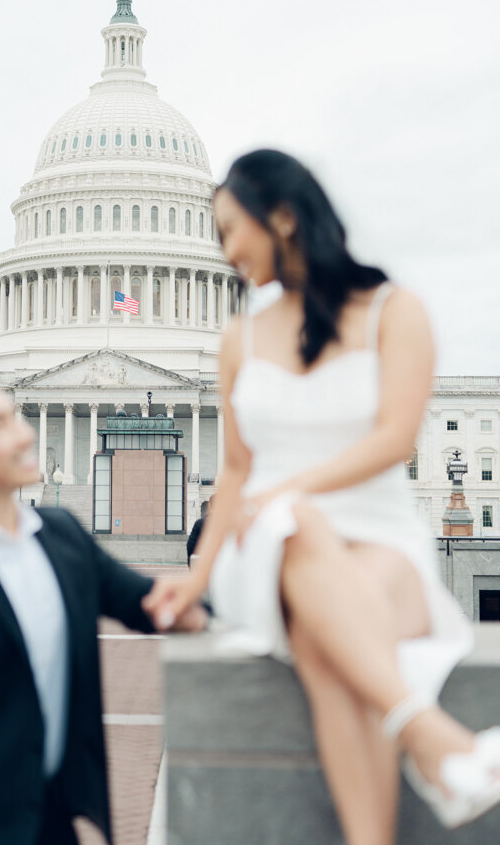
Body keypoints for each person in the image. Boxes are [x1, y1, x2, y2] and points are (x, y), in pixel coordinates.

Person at [144, 149, 500, 843]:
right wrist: (197, 576)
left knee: (325, 634)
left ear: (280, 216)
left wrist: (289, 488)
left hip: (379, 534)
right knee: (294, 526)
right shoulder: (238, 339)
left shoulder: (395, 312)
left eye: (227, 231)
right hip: (270, 547)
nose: (224, 253)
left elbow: (395, 438)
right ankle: (431, 737)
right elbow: (236, 474)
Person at [0, 370, 206, 845]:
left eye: (14, 418)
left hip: (56, 819)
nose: (26, 434)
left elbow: (148, 602)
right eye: (0, 424)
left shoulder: (62, 534)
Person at [186, 495, 212, 565]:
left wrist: (191, 564)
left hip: (204, 563)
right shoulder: (230, 524)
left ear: (209, 505)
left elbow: (191, 545)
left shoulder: (200, 523)